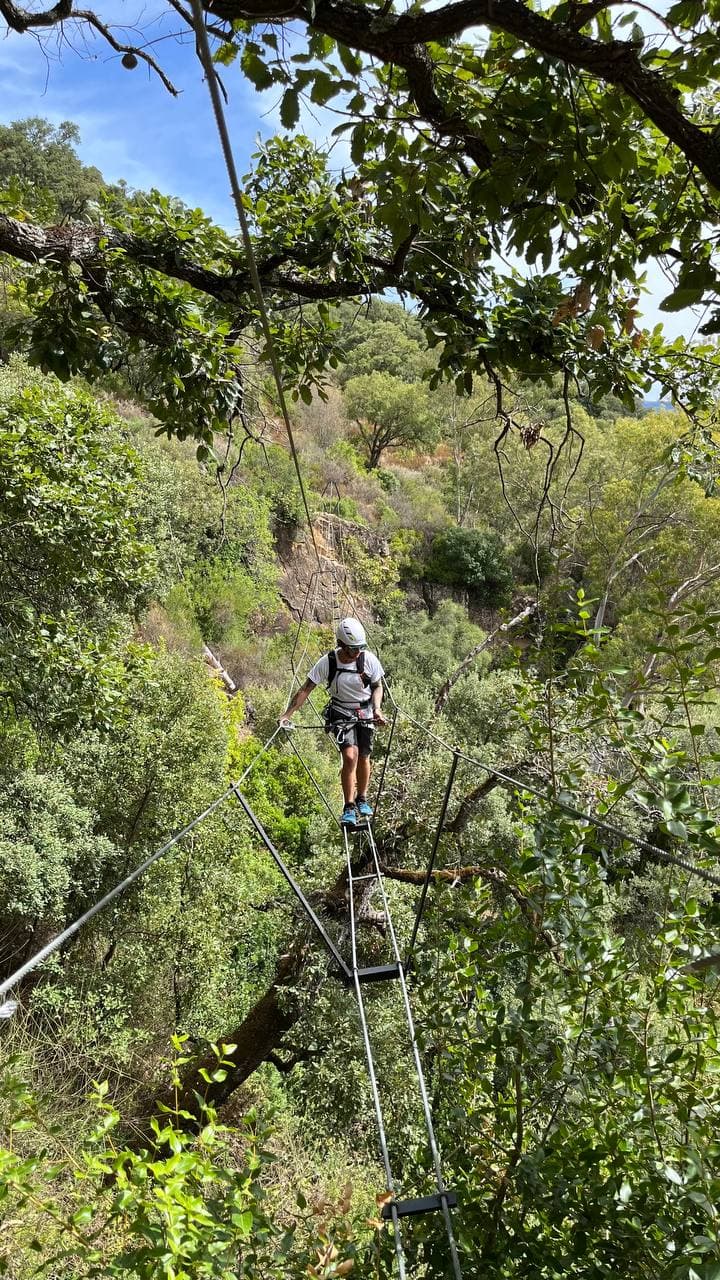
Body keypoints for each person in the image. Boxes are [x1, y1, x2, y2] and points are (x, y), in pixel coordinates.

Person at [279, 617, 387, 828]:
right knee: (350, 756)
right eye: (352, 649)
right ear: (341, 645)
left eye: (359, 648)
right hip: (340, 712)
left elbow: (378, 686)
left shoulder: (369, 660)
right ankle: (348, 806)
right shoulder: (327, 662)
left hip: (365, 711)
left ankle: (362, 798)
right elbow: (306, 689)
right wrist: (287, 714)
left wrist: (377, 709)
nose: (356, 653)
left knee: (364, 756)